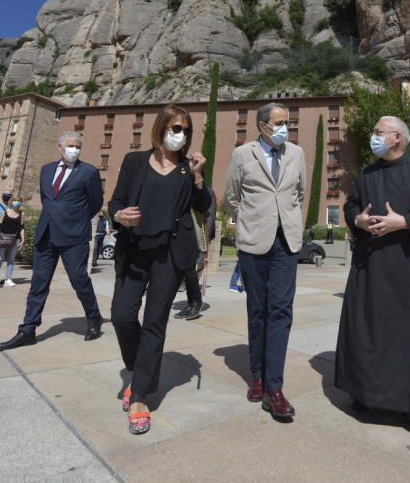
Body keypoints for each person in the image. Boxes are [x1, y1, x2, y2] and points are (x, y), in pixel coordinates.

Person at [335, 116, 410, 432]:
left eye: (378, 132)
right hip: (370, 268)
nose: (373, 136)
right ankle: (367, 396)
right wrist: (358, 220)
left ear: (397, 137)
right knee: (368, 333)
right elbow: (351, 206)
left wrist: (403, 222)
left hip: (409, 270)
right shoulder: (367, 174)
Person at [108, 106, 210, 435]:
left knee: (154, 321)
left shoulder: (187, 169)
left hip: (169, 256)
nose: (180, 134)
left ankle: (139, 395)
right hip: (134, 251)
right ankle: (140, 369)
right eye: (175, 127)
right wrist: (119, 215)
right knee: (122, 315)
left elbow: (204, 206)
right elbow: (115, 201)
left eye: (185, 130)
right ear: (161, 128)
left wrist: (198, 176)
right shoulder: (134, 161)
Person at [224, 102, 305, 419]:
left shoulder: (296, 153)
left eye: (288, 122)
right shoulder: (242, 154)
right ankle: (257, 375)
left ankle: (274, 388)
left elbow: (300, 193)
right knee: (258, 311)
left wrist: (286, 219)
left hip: (287, 243)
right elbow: (232, 197)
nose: (286, 127)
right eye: (280, 122)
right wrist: (250, 220)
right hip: (254, 243)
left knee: (281, 310)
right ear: (262, 126)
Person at [0, 132, 104, 351]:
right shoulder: (46, 170)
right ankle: (28, 329)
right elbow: (49, 200)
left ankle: (94, 317)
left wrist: (75, 219)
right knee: (39, 283)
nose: (74, 150)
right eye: (70, 145)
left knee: (79, 279)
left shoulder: (89, 172)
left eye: (78, 147)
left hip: (73, 236)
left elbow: (95, 203)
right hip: (46, 235)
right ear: (60, 147)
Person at [175, 191, 217, 321]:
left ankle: (196, 302)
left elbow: (209, 219)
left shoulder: (207, 192)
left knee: (190, 270)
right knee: (185, 270)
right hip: (181, 235)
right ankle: (190, 303)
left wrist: (205, 242)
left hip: (197, 238)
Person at [0, 196, 25, 286]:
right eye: (15, 200)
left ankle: (8, 279)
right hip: (2, 238)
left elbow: (22, 227)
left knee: (11, 259)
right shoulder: (4, 212)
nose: (17, 202)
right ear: (11, 202)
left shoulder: (21, 214)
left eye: (19, 201)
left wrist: (23, 240)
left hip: (15, 239)